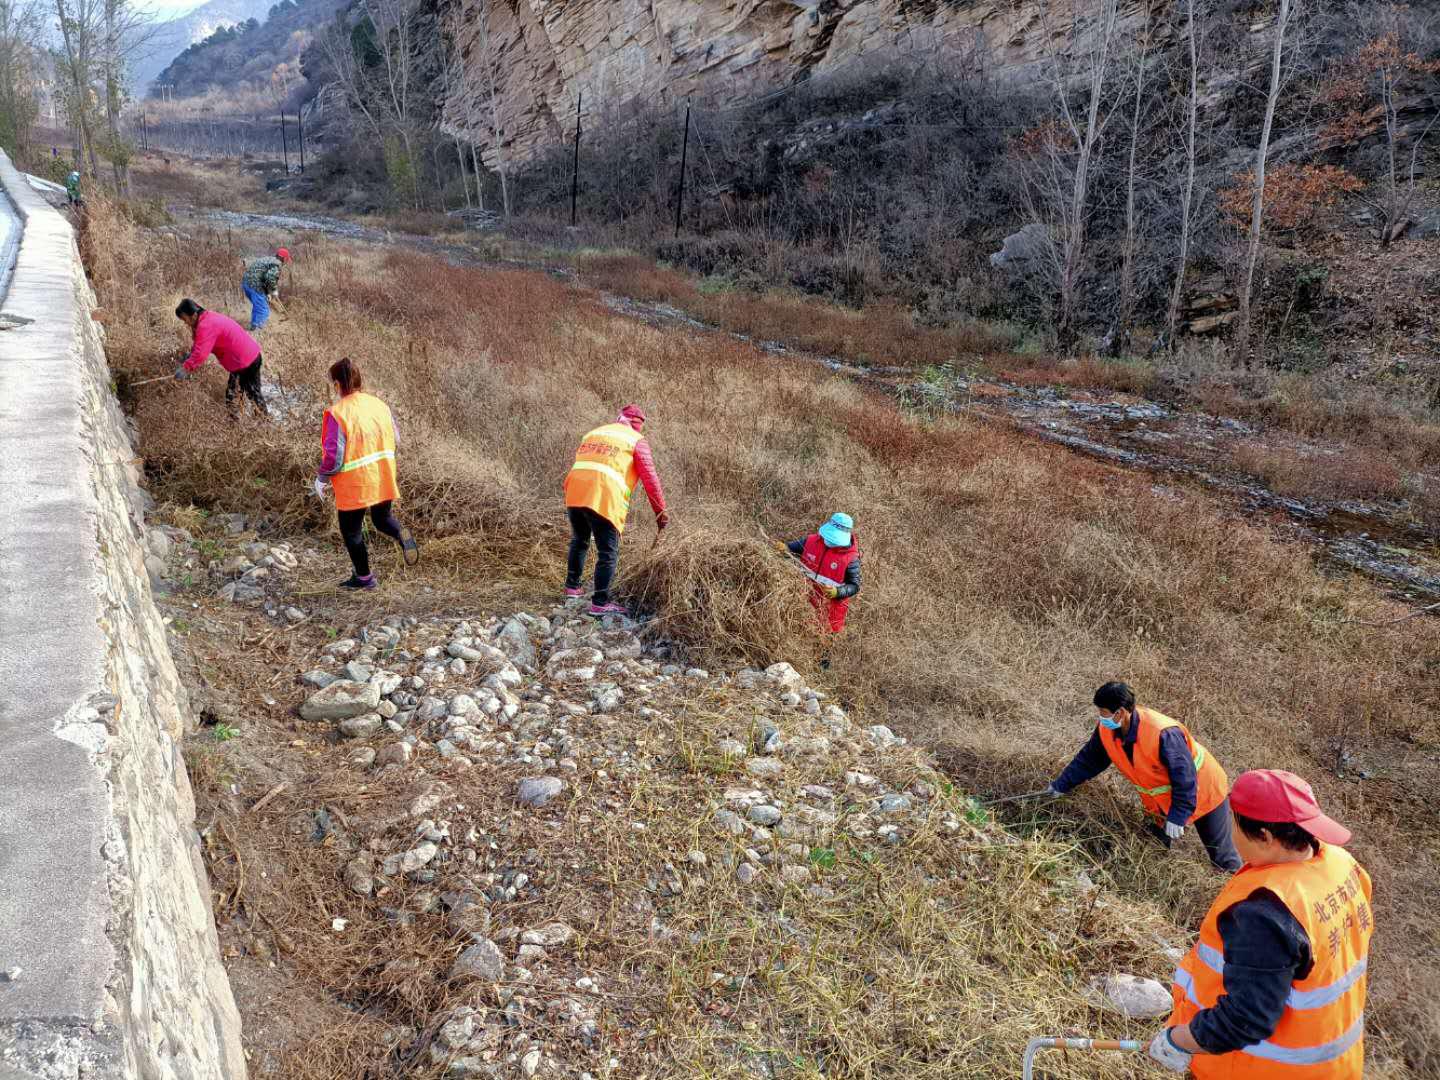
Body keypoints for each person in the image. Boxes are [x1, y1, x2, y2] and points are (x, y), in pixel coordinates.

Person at [1148, 769, 1372, 1077]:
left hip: (1266, 1070)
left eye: (1234, 823)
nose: (1231, 833)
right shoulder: (1340, 863)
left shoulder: (1265, 912)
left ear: (1265, 836)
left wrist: (1179, 1040)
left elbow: (1245, 1019)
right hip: (1335, 1062)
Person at [1048, 681, 1242, 872]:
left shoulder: (1163, 733)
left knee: (1221, 855)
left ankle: (1239, 893)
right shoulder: (1107, 730)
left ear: (1121, 712)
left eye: (1104, 712)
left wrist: (1178, 815)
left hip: (1205, 789)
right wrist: (1061, 785)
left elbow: (1185, 777)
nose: (1101, 717)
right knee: (1153, 847)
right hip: (1159, 800)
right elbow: (1089, 759)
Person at [314, 357, 418, 590]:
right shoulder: (379, 404)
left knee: (352, 532)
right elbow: (396, 438)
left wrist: (321, 479)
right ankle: (402, 535)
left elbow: (333, 457)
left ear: (337, 385)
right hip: (382, 474)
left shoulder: (337, 413)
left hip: (354, 485)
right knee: (382, 519)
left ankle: (364, 578)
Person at [563, 404, 668, 616]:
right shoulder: (636, 440)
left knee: (580, 540)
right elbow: (651, 479)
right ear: (638, 425)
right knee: (608, 552)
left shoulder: (595, 432)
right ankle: (600, 603)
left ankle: (572, 588)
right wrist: (660, 512)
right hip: (603, 495)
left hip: (574, 491)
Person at [173, 298, 268, 417]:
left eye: (184, 319)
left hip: (245, 362)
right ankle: (243, 422)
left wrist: (185, 368)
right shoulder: (207, 317)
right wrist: (189, 357)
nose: (185, 323)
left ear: (193, 314)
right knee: (237, 395)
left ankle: (264, 423)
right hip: (245, 358)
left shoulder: (205, 325)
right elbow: (200, 345)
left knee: (245, 395)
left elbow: (201, 354)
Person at [777, 512, 862, 636]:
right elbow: (791, 549)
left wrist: (837, 592)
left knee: (822, 645)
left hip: (829, 612)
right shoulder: (811, 541)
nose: (830, 541)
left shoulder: (851, 558)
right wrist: (784, 548)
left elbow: (854, 585)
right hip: (802, 604)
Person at [242, 248, 290, 332]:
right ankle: (258, 332)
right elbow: (269, 277)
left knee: (258, 306)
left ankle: (253, 327)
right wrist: (274, 290)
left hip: (246, 284)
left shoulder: (268, 259)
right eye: (286, 260)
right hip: (255, 286)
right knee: (263, 309)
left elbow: (263, 276)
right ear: (283, 258)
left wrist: (267, 293)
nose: (286, 262)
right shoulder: (277, 263)